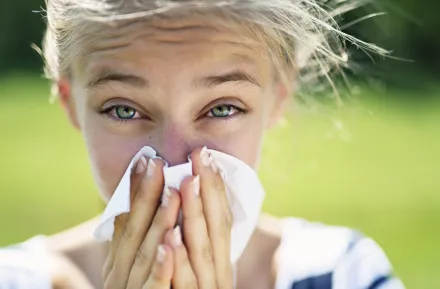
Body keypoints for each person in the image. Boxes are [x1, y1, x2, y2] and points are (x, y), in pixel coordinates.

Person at [0, 1, 405, 288]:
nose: (176, 161)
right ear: (71, 102)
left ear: (277, 99)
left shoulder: (345, 274)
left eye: (222, 108)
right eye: (124, 110)